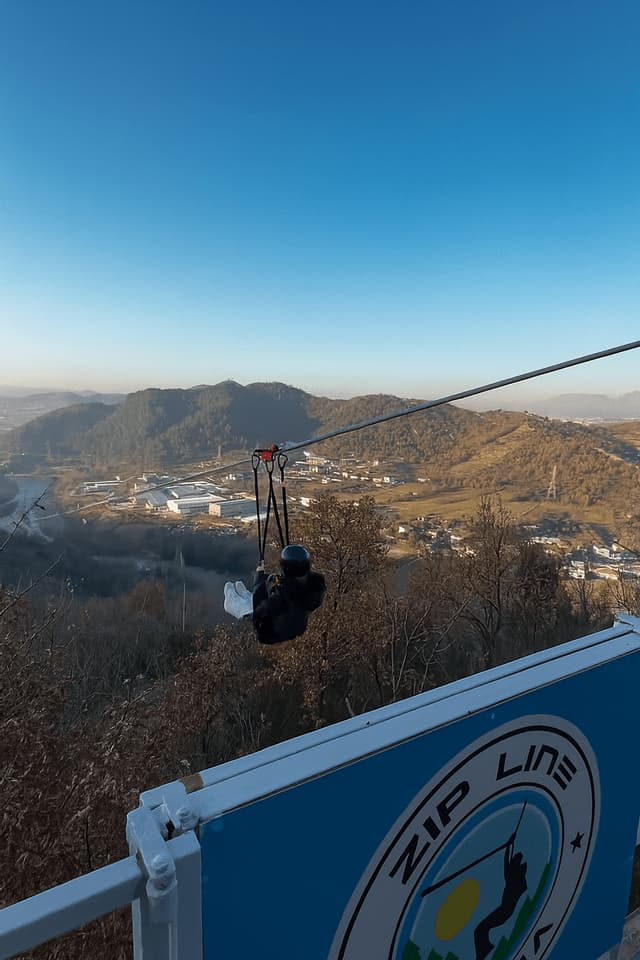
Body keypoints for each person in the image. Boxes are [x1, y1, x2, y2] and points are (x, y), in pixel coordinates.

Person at [224, 545, 326, 644]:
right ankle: (246, 596)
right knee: (268, 584)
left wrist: (259, 576)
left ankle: (234, 603)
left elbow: (259, 612)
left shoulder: (285, 595)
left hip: (273, 633)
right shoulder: (313, 587)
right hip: (297, 627)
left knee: (243, 603)